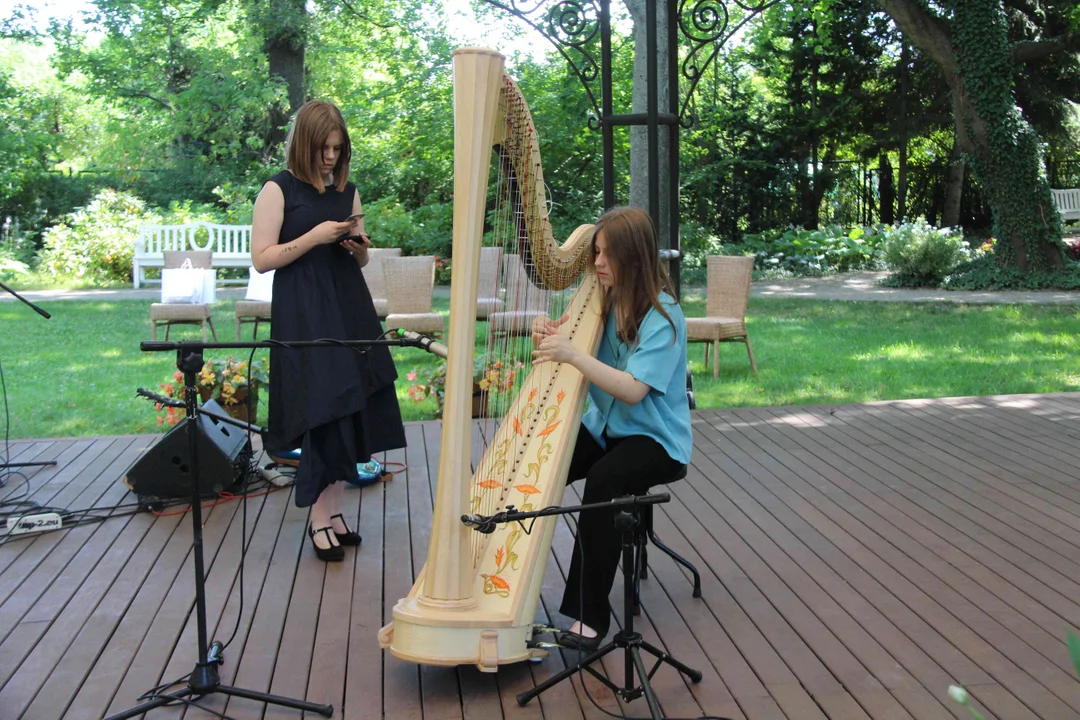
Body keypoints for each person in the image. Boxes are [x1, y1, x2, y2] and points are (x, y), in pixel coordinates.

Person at [251, 100, 406, 562]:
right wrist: (314, 237)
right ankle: (318, 519)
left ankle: (335, 513)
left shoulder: (348, 191)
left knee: (351, 407)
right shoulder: (277, 190)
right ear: (304, 144)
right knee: (323, 408)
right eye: (323, 148)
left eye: (338, 149)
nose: (330, 158)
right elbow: (262, 258)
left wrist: (358, 248)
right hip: (304, 311)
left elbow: (359, 260)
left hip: (348, 306)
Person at [532, 206, 692, 651]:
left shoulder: (665, 317)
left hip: (655, 438)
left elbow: (633, 390)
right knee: (545, 463)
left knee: (604, 480)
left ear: (634, 257)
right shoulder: (599, 298)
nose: (598, 262)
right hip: (606, 428)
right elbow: (563, 342)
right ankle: (511, 582)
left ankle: (589, 614)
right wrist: (544, 333)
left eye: (608, 254)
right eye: (596, 252)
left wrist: (575, 356)